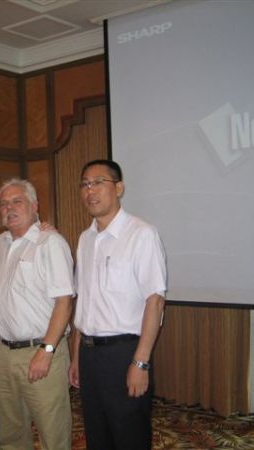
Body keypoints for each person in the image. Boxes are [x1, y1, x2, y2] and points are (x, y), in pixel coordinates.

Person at [68, 159, 167, 450]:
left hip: (124, 353)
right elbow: (84, 303)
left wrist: (140, 362)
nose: (90, 190)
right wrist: (76, 356)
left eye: (98, 182)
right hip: (89, 355)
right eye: (85, 184)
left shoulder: (141, 234)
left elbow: (155, 301)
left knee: (129, 436)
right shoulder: (85, 239)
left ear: (119, 188)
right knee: (97, 436)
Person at [0, 178, 75, 450]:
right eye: (4, 204)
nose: (9, 208)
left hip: (41, 351)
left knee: (53, 434)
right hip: (3, 355)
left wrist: (46, 350)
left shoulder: (50, 242)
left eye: (17, 201)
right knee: (10, 436)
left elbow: (64, 302)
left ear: (35, 206)